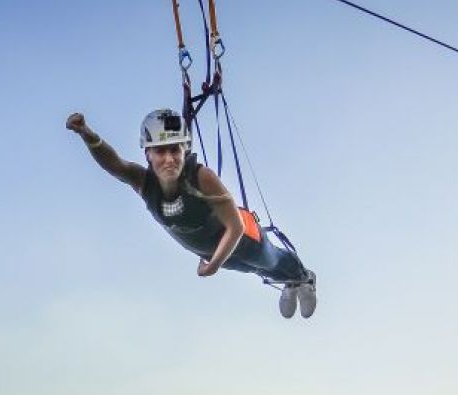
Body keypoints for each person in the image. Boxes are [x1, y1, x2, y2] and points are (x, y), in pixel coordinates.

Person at [68, 108, 317, 318]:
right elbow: (115, 164)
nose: (168, 159)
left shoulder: (201, 177)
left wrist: (212, 267)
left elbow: (236, 228)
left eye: (175, 150)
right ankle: (290, 282)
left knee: (269, 260)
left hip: (244, 239)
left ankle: (303, 278)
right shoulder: (144, 183)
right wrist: (86, 133)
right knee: (254, 270)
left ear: (184, 151)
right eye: (160, 151)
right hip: (212, 253)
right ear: (148, 153)